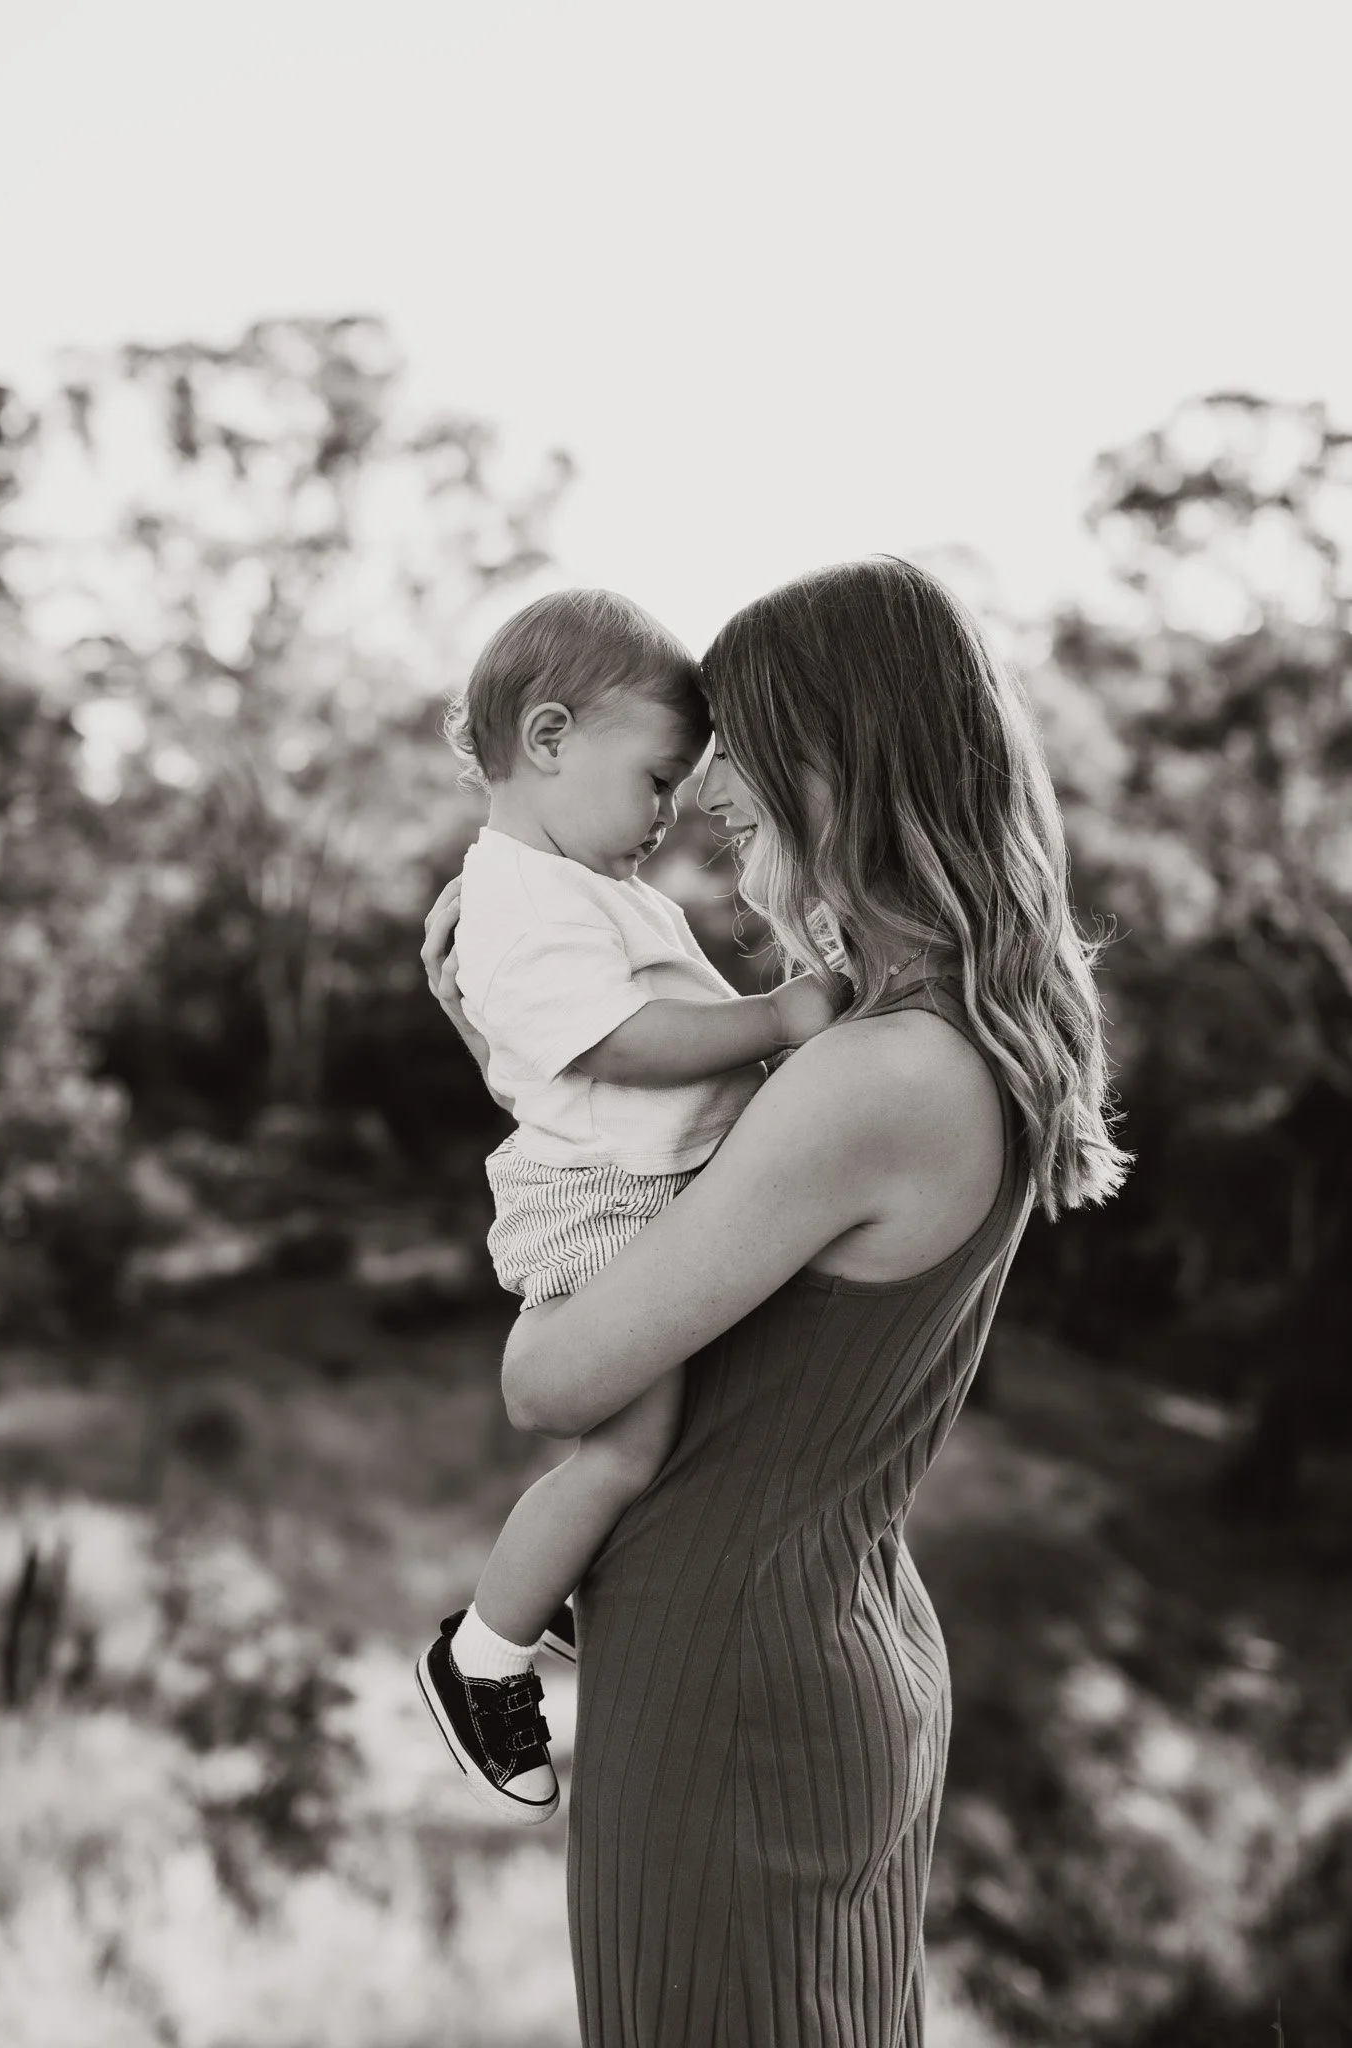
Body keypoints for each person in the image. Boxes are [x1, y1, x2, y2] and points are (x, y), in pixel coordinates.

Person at [422, 558, 1128, 2046]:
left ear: (838, 755)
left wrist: (544, 1068)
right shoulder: (937, 1044)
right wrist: (528, 1045)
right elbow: (679, 1181)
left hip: (730, 1681)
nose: (707, 789)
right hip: (817, 1640)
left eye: (738, 744)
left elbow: (552, 1383)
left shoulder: (869, 1077)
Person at [414, 589, 835, 1825]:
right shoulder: (517, 898)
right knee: (626, 1445)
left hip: (639, 1184)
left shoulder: (573, 882)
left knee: (658, 1438)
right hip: (602, 1200)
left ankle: (564, 1577)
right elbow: (618, 1042)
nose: (670, 816)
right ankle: (484, 1653)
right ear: (549, 738)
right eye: (657, 781)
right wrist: (776, 1017)